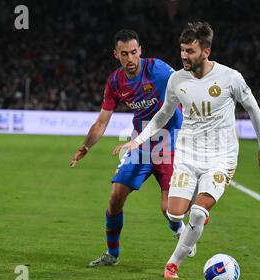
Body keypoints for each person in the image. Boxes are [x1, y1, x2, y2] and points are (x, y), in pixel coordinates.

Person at [113, 22, 260, 279]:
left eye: (190, 51)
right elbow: (162, 115)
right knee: (173, 212)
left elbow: (253, 109)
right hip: (188, 155)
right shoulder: (177, 80)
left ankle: (173, 264)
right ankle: (193, 221)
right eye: (182, 50)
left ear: (206, 52)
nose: (184, 56)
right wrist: (137, 141)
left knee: (198, 212)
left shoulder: (230, 78)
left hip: (221, 157)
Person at [70, 29, 187, 267]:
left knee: (168, 210)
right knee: (115, 199)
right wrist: (86, 147)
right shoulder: (115, 81)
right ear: (116, 55)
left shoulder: (158, 70)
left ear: (140, 51)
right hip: (140, 143)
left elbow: (187, 88)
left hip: (169, 142)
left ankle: (179, 228)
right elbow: (102, 121)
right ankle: (112, 254)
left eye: (134, 52)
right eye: (124, 54)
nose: (130, 59)